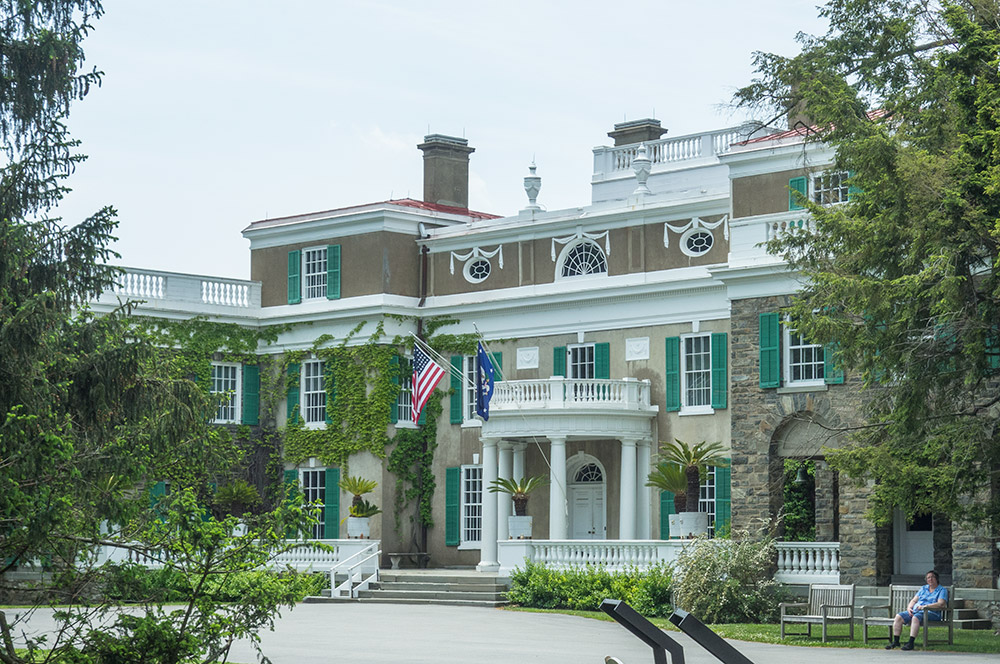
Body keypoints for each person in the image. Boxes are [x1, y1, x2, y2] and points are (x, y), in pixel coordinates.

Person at [885, 570, 948, 650]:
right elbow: (914, 601)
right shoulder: (923, 588)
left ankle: (911, 643)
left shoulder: (942, 590)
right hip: (916, 611)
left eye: (932, 577)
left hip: (931, 612)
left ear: (937, 579)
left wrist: (925, 606)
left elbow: (941, 604)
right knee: (898, 617)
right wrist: (909, 608)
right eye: (928, 578)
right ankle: (896, 642)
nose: (930, 579)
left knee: (915, 617)